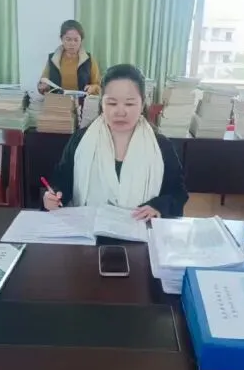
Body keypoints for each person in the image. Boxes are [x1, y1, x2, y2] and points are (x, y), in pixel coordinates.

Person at [43, 64, 188, 220]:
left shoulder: (161, 146)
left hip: (141, 229)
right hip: (87, 229)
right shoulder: (80, 140)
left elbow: (177, 193)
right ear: (102, 103)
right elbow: (61, 181)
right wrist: (53, 197)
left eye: (129, 104)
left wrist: (158, 206)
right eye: (112, 103)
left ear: (142, 104)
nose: (120, 111)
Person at [37, 20, 101, 95]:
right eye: (68, 39)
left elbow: (99, 86)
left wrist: (93, 88)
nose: (72, 43)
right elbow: (43, 81)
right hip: (57, 100)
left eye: (76, 40)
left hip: (82, 101)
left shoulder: (89, 59)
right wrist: (42, 87)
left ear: (81, 40)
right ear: (61, 39)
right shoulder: (53, 59)